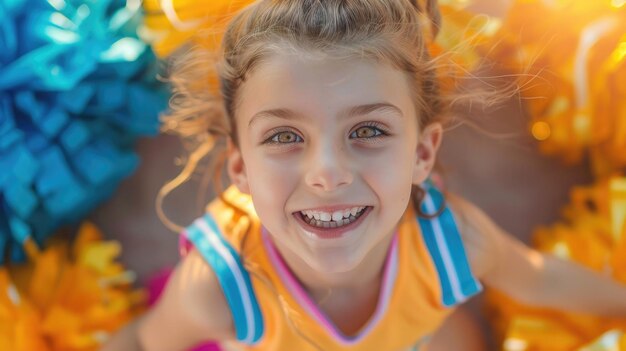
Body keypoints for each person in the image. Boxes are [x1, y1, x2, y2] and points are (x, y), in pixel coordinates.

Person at [103, 0, 626, 350]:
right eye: (284, 137)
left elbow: (537, 278)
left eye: (369, 130)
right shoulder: (218, 287)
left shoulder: (450, 243)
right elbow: (143, 342)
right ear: (240, 167)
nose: (328, 174)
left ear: (422, 152)